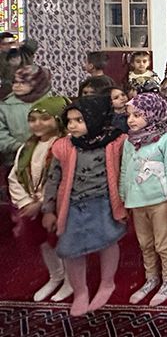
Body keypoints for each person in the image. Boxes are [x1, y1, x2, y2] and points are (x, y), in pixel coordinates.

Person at [41, 95, 128, 316]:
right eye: (69, 121)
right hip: (72, 206)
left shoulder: (115, 142)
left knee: (108, 242)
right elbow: (53, 179)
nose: (72, 125)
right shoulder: (63, 146)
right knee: (71, 250)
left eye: (79, 120)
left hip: (103, 203)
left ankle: (107, 283)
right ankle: (80, 291)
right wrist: (48, 209)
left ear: (95, 118)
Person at [120, 92, 167, 306]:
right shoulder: (130, 141)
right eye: (129, 115)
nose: (131, 120)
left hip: (160, 201)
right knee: (145, 243)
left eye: (137, 115)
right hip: (137, 202)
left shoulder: (166, 139)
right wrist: (123, 197)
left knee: (163, 243)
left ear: (153, 115)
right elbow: (125, 170)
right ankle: (151, 278)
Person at [7, 96, 72, 303]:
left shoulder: (65, 145)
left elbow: (65, 179)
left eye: (44, 118)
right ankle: (56, 276)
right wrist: (26, 202)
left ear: (58, 119)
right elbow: (14, 177)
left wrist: (43, 203)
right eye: (33, 119)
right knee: (44, 243)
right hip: (33, 204)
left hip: (58, 205)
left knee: (63, 243)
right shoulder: (26, 148)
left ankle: (71, 281)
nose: (37, 124)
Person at [0, 64, 52, 167]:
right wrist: (18, 146)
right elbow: (1, 133)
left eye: (24, 82)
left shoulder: (51, 103)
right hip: (14, 160)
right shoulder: (5, 106)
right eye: (15, 82)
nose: (17, 86)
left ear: (38, 83)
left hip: (48, 158)